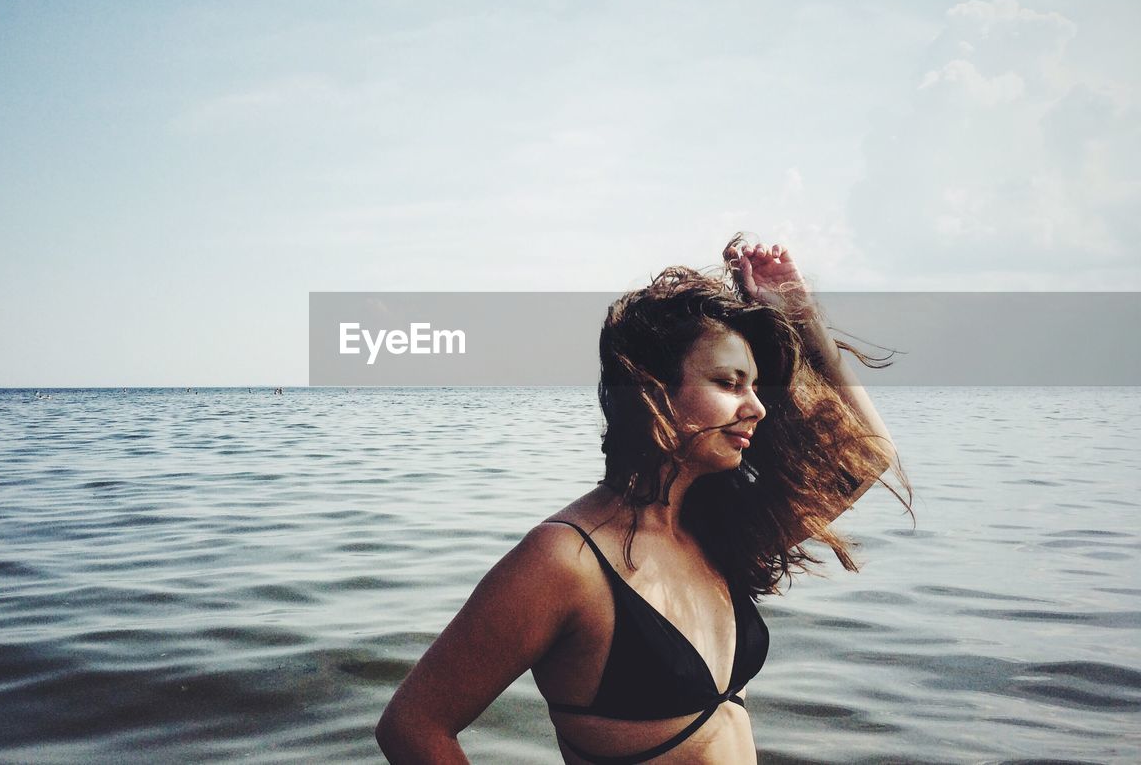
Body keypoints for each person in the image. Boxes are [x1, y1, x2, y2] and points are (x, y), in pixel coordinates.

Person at [376, 236, 909, 764]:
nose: (756, 408)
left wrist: (802, 319)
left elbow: (870, 454)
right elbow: (414, 727)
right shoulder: (566, 562)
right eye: (728, 382)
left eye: (755, 387)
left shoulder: (715, 533)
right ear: (650, 387)